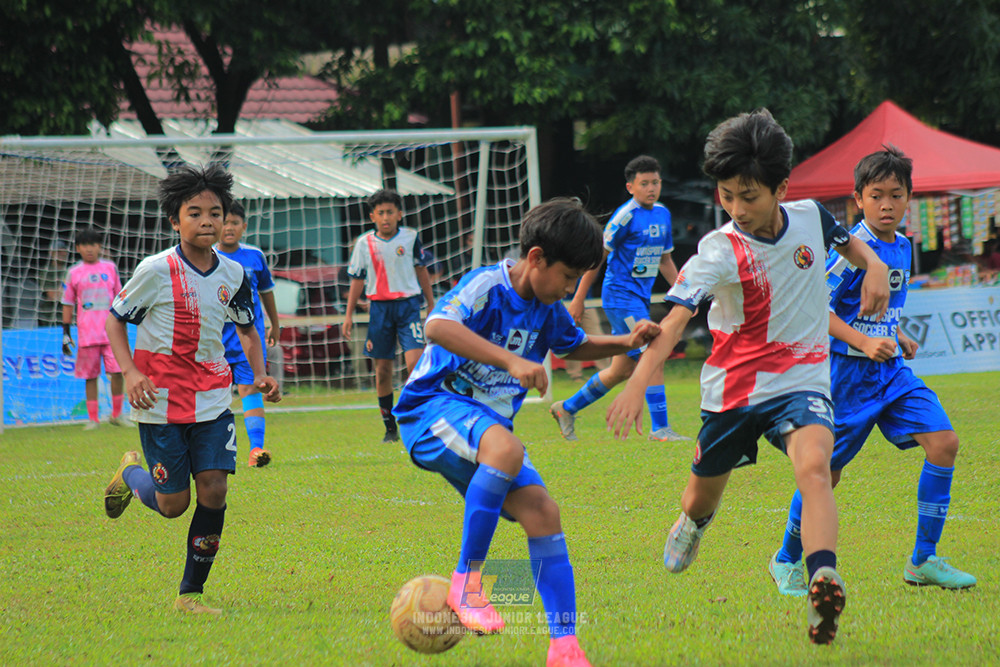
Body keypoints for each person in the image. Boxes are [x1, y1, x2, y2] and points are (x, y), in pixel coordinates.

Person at [605, 109, 891, 645]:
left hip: (802, 379)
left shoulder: (810, 216)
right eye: (726, 195)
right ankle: (692, 525)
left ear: (781, 188)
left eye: (749, 196)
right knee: (701, 499)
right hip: (733, 392)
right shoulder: (718, 251)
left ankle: (822, 578)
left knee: (816, 468)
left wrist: (872, 265)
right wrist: (639, 379)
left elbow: (852, 245)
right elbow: (672, 324)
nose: (736, 208)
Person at [393, 198, 660, 667]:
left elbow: (574, 345)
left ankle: (564, 646)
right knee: (506, 447)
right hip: (431, 408)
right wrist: (513, 361)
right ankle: (468, 583)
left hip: (486, 429)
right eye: (566, 277)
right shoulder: (487, 286)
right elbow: (437, 326)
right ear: (536, 258)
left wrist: (626, 341)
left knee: (543, 511)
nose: (569, 288)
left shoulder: (548, 306)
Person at [768, 147, 976, 596]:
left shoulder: (901, 247)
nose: (886, 204)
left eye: (895, 196)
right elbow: (813, 309)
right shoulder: (850, 253)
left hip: (891, 373)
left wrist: (894, 334)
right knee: (825, 473)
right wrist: (863, 340)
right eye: (876, 195)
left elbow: (879, 309)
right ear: (857, 199)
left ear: (908, 200)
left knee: (944, 443)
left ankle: (923, 560)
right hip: (844, 376)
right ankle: (786, 558)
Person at [102, 164, 281, 615]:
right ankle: (129, 474)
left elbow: (247, 330)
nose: (207, 221)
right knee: (172, 505)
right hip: (160, 401)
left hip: (214, 398)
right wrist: (131, 373)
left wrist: (259, 374)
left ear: (226, 220)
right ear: (174, 221)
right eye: (195, 213)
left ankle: (190, 595)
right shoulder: (155, 270)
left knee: (215, 490)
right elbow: (115, 320)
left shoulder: (235, 274)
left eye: (215, 213)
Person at [550, 155, 688, 442]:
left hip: (639, 299)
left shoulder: (662, 214)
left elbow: (664, 260)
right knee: (655, 350)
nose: (651, 188)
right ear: (630, 187)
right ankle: (660, 429)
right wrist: (578, 299)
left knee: (621, 370)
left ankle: (566, 408)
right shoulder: (625, 216)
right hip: (620, 297)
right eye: (644, 183)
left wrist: (683, 295)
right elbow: (596, 259)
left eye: (655, 182)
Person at [343, 189, 435, 443]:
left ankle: (417, 418)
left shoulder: (410, 237)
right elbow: (357, 280)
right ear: (373, 216)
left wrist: (430, 302)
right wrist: (349, 315)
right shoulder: (364, 243)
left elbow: (421, 270)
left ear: (399, 214)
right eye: (381, 213)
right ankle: (389, 427)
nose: (386, 217)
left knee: (416, 365)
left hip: (408, 308)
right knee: (382, 370)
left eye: (390, 212)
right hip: (380, 310)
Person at [216, 201, 281, 468]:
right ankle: (215, 450)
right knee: (215, 394)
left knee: (250, 386)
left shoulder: (255, 256)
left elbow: (266, 291)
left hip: (248, 335)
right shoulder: (205, 256)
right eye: (225, 222)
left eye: (235, 223)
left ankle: (256, 449)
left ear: (244, 227)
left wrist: (275, 324)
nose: (229, 228)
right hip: (215, 337)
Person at [60, 228, 129, 430]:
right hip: (87, 334)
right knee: (90, 376)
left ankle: (117, 414)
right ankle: (93, 418)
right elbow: (67, 302)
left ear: (100, 247)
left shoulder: (110, 268)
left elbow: (120, 297)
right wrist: (65, 332)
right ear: (78, 248)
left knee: (117, 372)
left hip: (111, 333)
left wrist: (123, 323)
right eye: (85, 245)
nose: (90, 249)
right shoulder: (73, 272)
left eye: (93, 244)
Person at [39, 240, 70, 327]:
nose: (62, 254)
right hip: (50, 317)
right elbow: (52, 295)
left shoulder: (73, 270)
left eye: (64, 251)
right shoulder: (46, 272)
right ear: (51, 253)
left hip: (72, 316)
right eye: (59, 251)